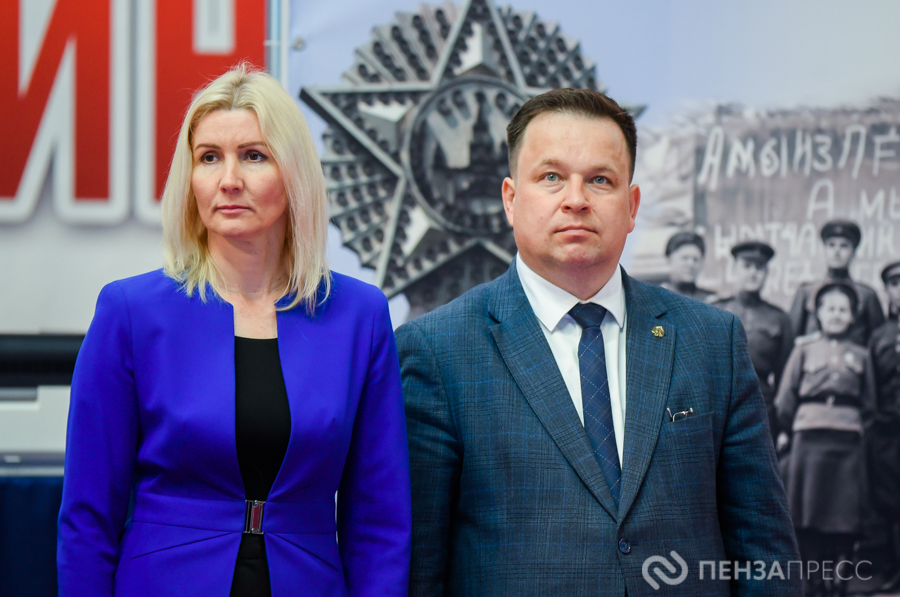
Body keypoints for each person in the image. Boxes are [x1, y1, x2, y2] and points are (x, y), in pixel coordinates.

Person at [397, 88, 800, 596]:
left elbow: (763, 551)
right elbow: (418, 570)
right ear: (511, 200)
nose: (576, 199)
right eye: (551, 177)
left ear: (631, 206)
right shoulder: (437, 351)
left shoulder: (712, 340)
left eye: (600, 180)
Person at [57, 65, 411, 596]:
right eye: (208, 158)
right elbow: (87, 518)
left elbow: (380, 523)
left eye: (253, 155)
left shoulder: (359, 315)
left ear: (294, 174)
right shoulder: (129, 312)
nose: (228, 180)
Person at [776, 282, 876, 597]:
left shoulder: (862, 355)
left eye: (843, 310)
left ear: (853, 317)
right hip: (809, 440)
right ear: (818, 314)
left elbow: (870, 404)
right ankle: (813, 580)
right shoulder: (803, 350)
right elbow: (785, 399)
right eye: (830, 308)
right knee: (807, 514)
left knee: (844, 517)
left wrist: (854, 427)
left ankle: (838, 580)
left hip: (847, 444)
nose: (836, 315)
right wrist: (795, 428)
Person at [714, 240, 794, 443]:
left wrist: (782, 425)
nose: (753, 273)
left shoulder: (779, 319)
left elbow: (785, 378)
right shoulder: (714, 311)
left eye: (759, 268)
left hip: (761, 405)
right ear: (734, 269)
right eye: (747, 266)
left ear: (766, 273)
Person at [789, 220, 884, 346]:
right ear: (824, 250)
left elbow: (878, 341)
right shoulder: (806, 292)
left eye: (844, 246)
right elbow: (791, 339)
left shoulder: (867, 295)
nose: (837, 252)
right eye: (831, 245)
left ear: (854, 253)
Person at [868, 261, 900, 591]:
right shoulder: (880, 336)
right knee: (891, 501)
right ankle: (893, 567)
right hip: (890, 431)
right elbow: (871, 387)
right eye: (896, 284)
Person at [659, 231, 716, 302]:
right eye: (685, 258)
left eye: (695, 259)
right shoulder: (656, 299)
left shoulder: (710, 301)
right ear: (669, 260)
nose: (691, 264)